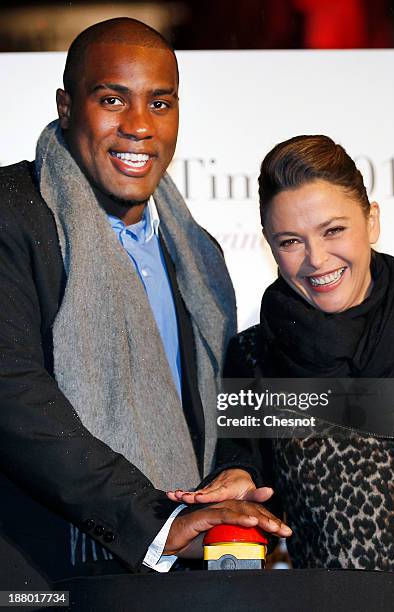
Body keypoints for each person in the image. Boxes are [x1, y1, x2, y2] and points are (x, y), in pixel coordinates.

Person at [0, 18, 291, 589]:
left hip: (172, 584)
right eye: (112, 99)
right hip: (38, 574)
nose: (138, 126)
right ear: (65, 107)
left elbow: (218, 404)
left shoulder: (199, 253)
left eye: (160, 104)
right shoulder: (14, 215)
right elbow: (13, 394)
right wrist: (155, 520)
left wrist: (236, 469)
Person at [176, 135, 394, 610]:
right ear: (270, 245)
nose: (317, 260)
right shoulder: (256, 359)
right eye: (291, 242)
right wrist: (235, 481)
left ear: (372, 220)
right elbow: (249, 478)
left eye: (333, 231)